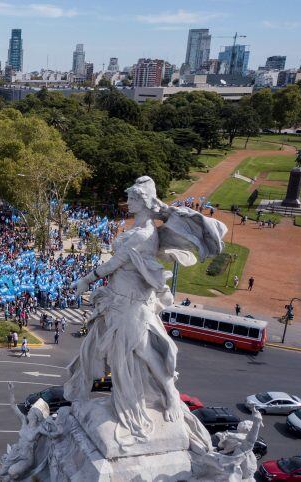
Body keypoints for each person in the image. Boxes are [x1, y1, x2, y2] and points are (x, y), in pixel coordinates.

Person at [68, 176, 225, 444]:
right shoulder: (140, 230)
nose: (126, 202)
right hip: (116, 299)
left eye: (131, 198)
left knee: (139, 352)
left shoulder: (142, 235)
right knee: (99, 348)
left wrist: (85, 280)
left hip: (131, 304)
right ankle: (87, 392)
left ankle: (167, 395)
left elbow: (111, 265)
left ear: (142, 202)